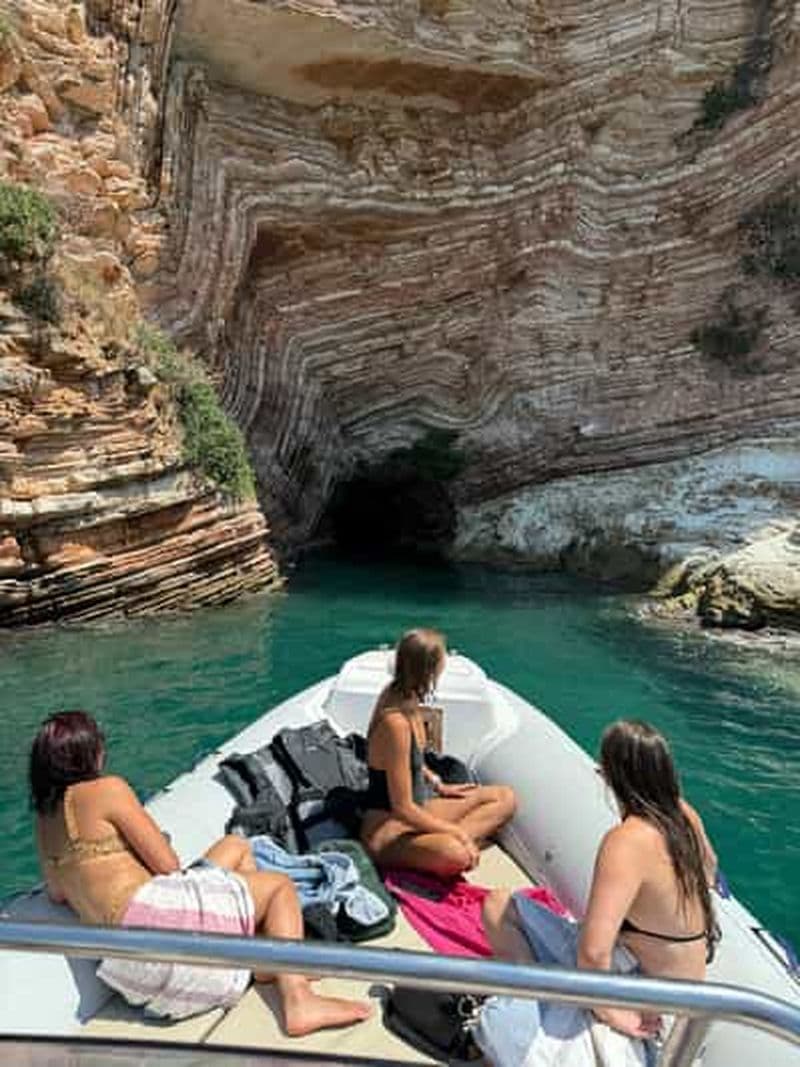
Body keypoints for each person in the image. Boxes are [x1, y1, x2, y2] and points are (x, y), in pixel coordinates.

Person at [30, 710, 371, 1035]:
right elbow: (167, 865)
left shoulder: (45, 823)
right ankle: (298, 999)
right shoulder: (107, 789)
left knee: (235, 847)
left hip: (129, 971)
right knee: (278, 886)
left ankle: (270, 956)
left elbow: (57, 893)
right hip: (156, 923)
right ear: (88, 753)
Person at [483, 719, 719, 1043]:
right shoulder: (684, 816)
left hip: (640, 983)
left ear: (610, 775)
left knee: (497, 906)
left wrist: (609, 1012)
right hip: (686, 986)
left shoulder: (626, 841)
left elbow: (594, 952)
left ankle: (535, 1002)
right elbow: (709, 871)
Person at [360, 628, 516, 878]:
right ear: (429, 670)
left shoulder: (406, 696)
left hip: (420, 807)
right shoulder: (395, 723)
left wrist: (438, 783)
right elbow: (403, 809)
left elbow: (411, 762)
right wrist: (458, 833)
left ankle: (435, 844)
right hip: (389, 828)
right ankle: (446, 845)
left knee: (505, 798)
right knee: (457, 855)